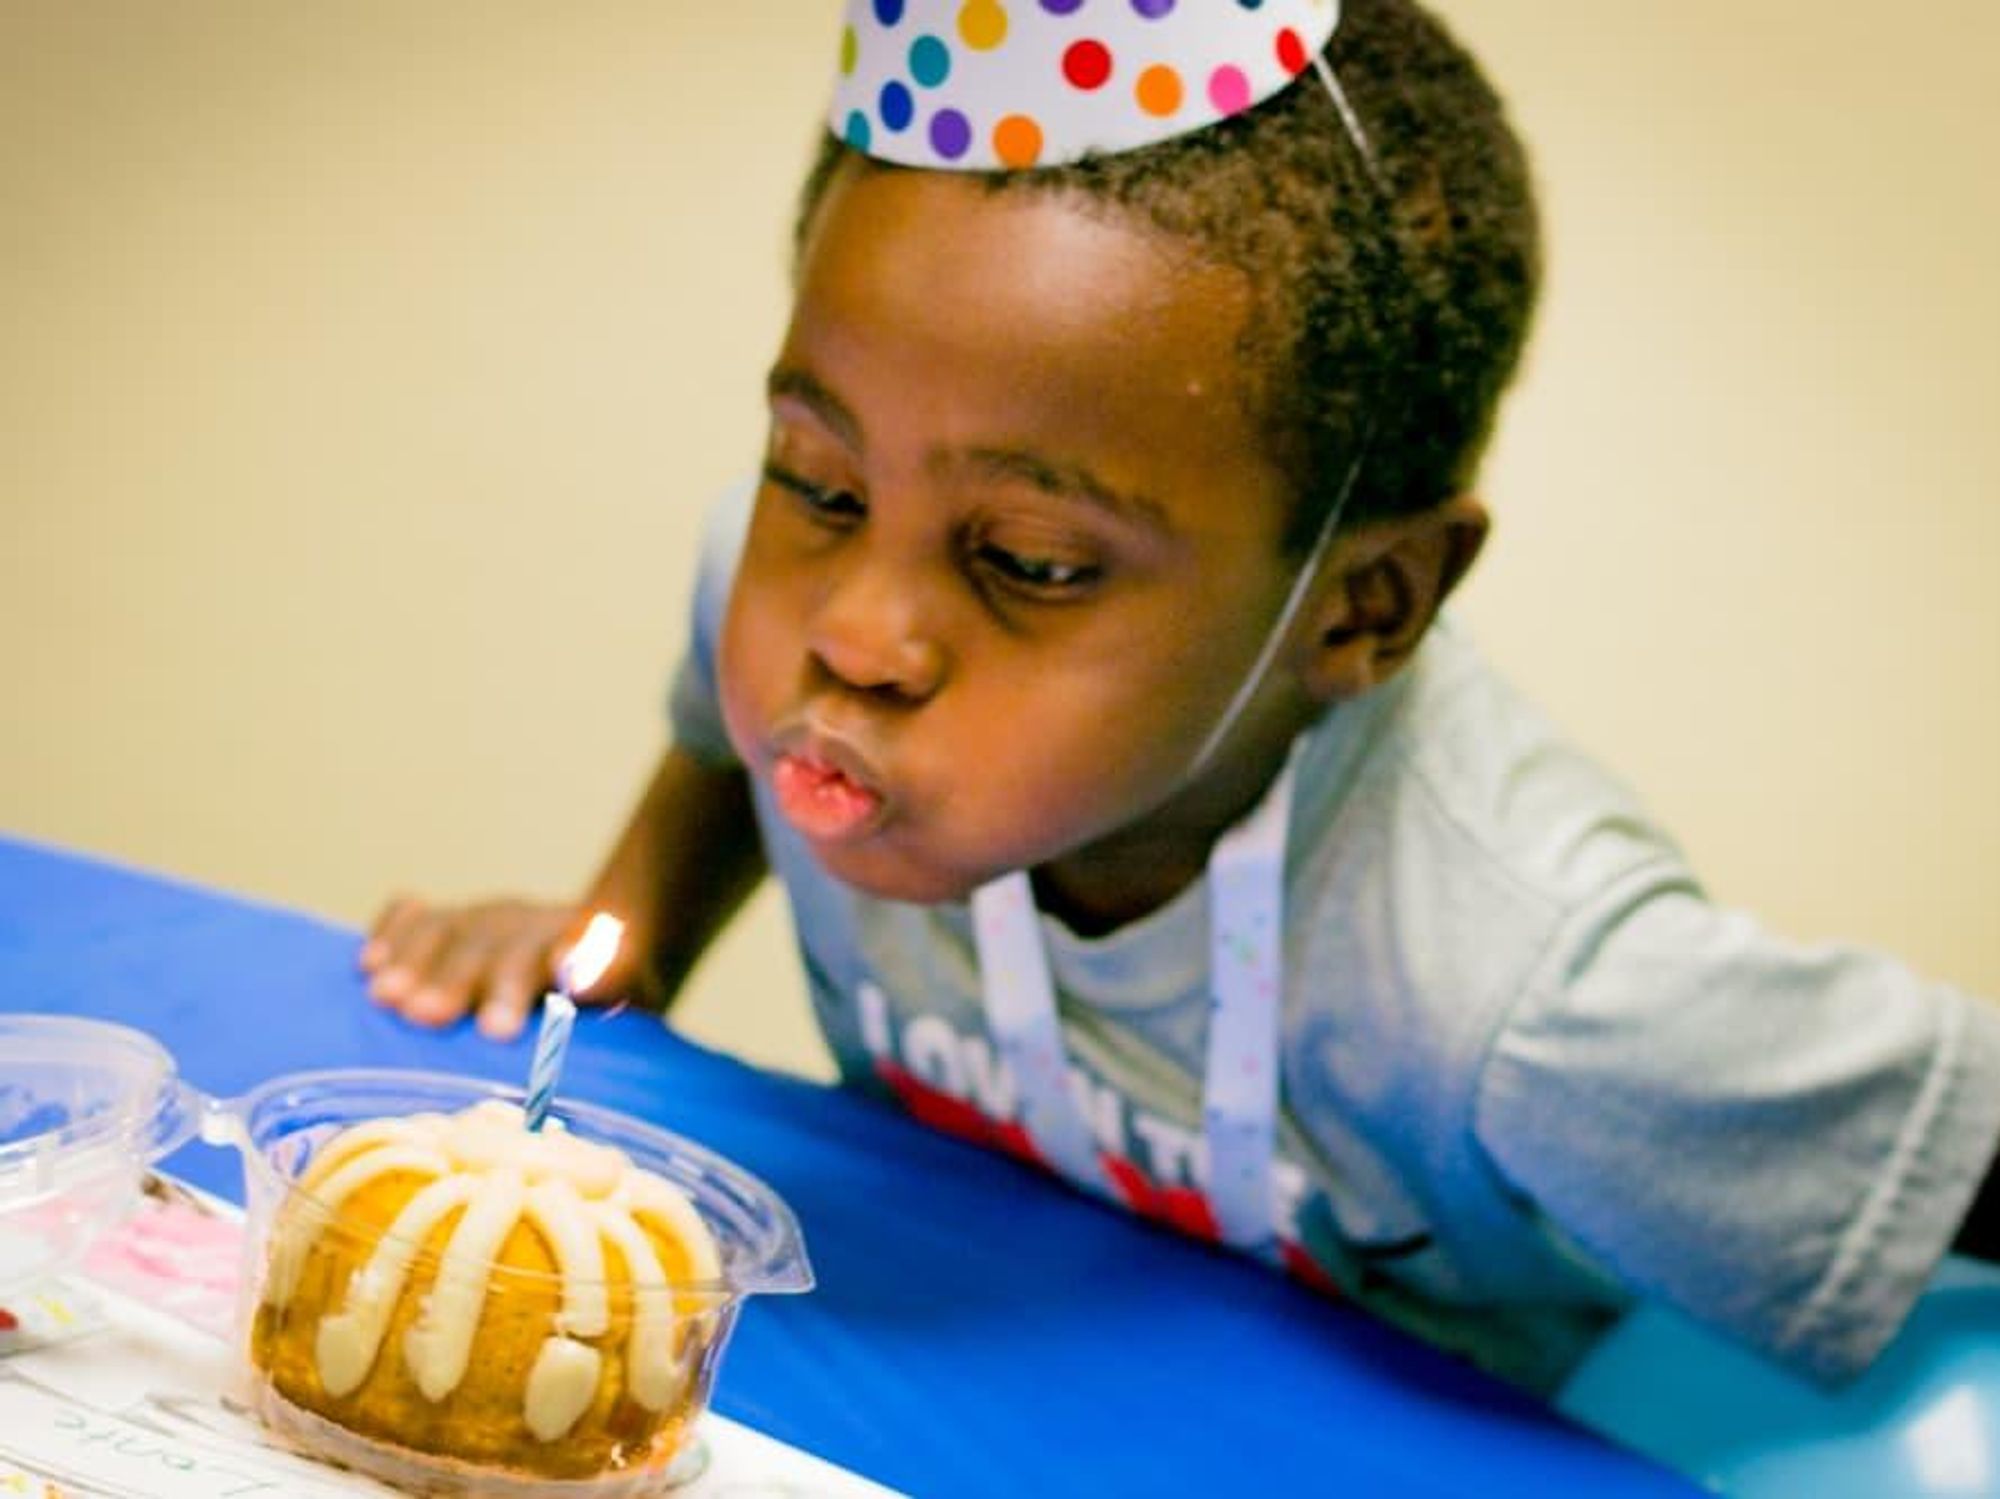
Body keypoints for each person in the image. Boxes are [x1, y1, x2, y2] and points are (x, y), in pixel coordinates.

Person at [359, 0, 2000, 1395]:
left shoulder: (1534, 995)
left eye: (1029, 561)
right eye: (820, 477)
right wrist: (623, 925)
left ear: (1363, 606)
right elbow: (733, 729)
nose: (855, 634)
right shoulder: (769, 591)